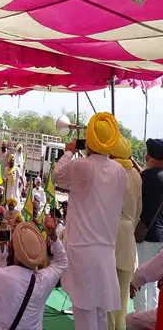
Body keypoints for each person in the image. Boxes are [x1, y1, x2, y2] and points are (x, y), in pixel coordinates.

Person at [53, 112, 127, 330]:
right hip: (105, 252)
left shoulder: (82, 166)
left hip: (82, 252)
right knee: (100, 315)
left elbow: (58, 176)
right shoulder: (120, 172)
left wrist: (69, 152)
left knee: (84, 316)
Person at [0, 218, 68, 330]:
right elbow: (62, 261)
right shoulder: (44, 280)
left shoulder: (1, 277)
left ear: (16, 253)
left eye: (11, 244)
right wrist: (54, 237)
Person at [107, 137, 142, 330]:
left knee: (107, 290)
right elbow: (139, 211)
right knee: (122, 293)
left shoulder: (110, 171)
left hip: (110, 234)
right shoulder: (136, 176)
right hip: (128, 236)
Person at [134, 138, 163, 313]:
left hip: (145, 236)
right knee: (154, 284)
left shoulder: (144, 178)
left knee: (142, 278)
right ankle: (152, 319)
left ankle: (140, 318)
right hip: (161, 238)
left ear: (150, 157)